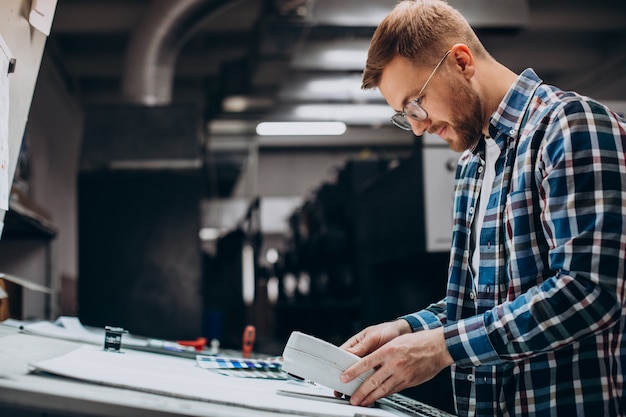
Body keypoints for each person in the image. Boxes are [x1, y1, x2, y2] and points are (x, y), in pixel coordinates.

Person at [337, 1, 626, 416]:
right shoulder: (473, 165)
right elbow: (480, 306)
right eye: (405, 115)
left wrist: (442, 348)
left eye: (416, 103)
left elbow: (591, 290)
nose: (417, 126)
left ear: (461, 61)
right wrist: (407, 330)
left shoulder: (571, 126)